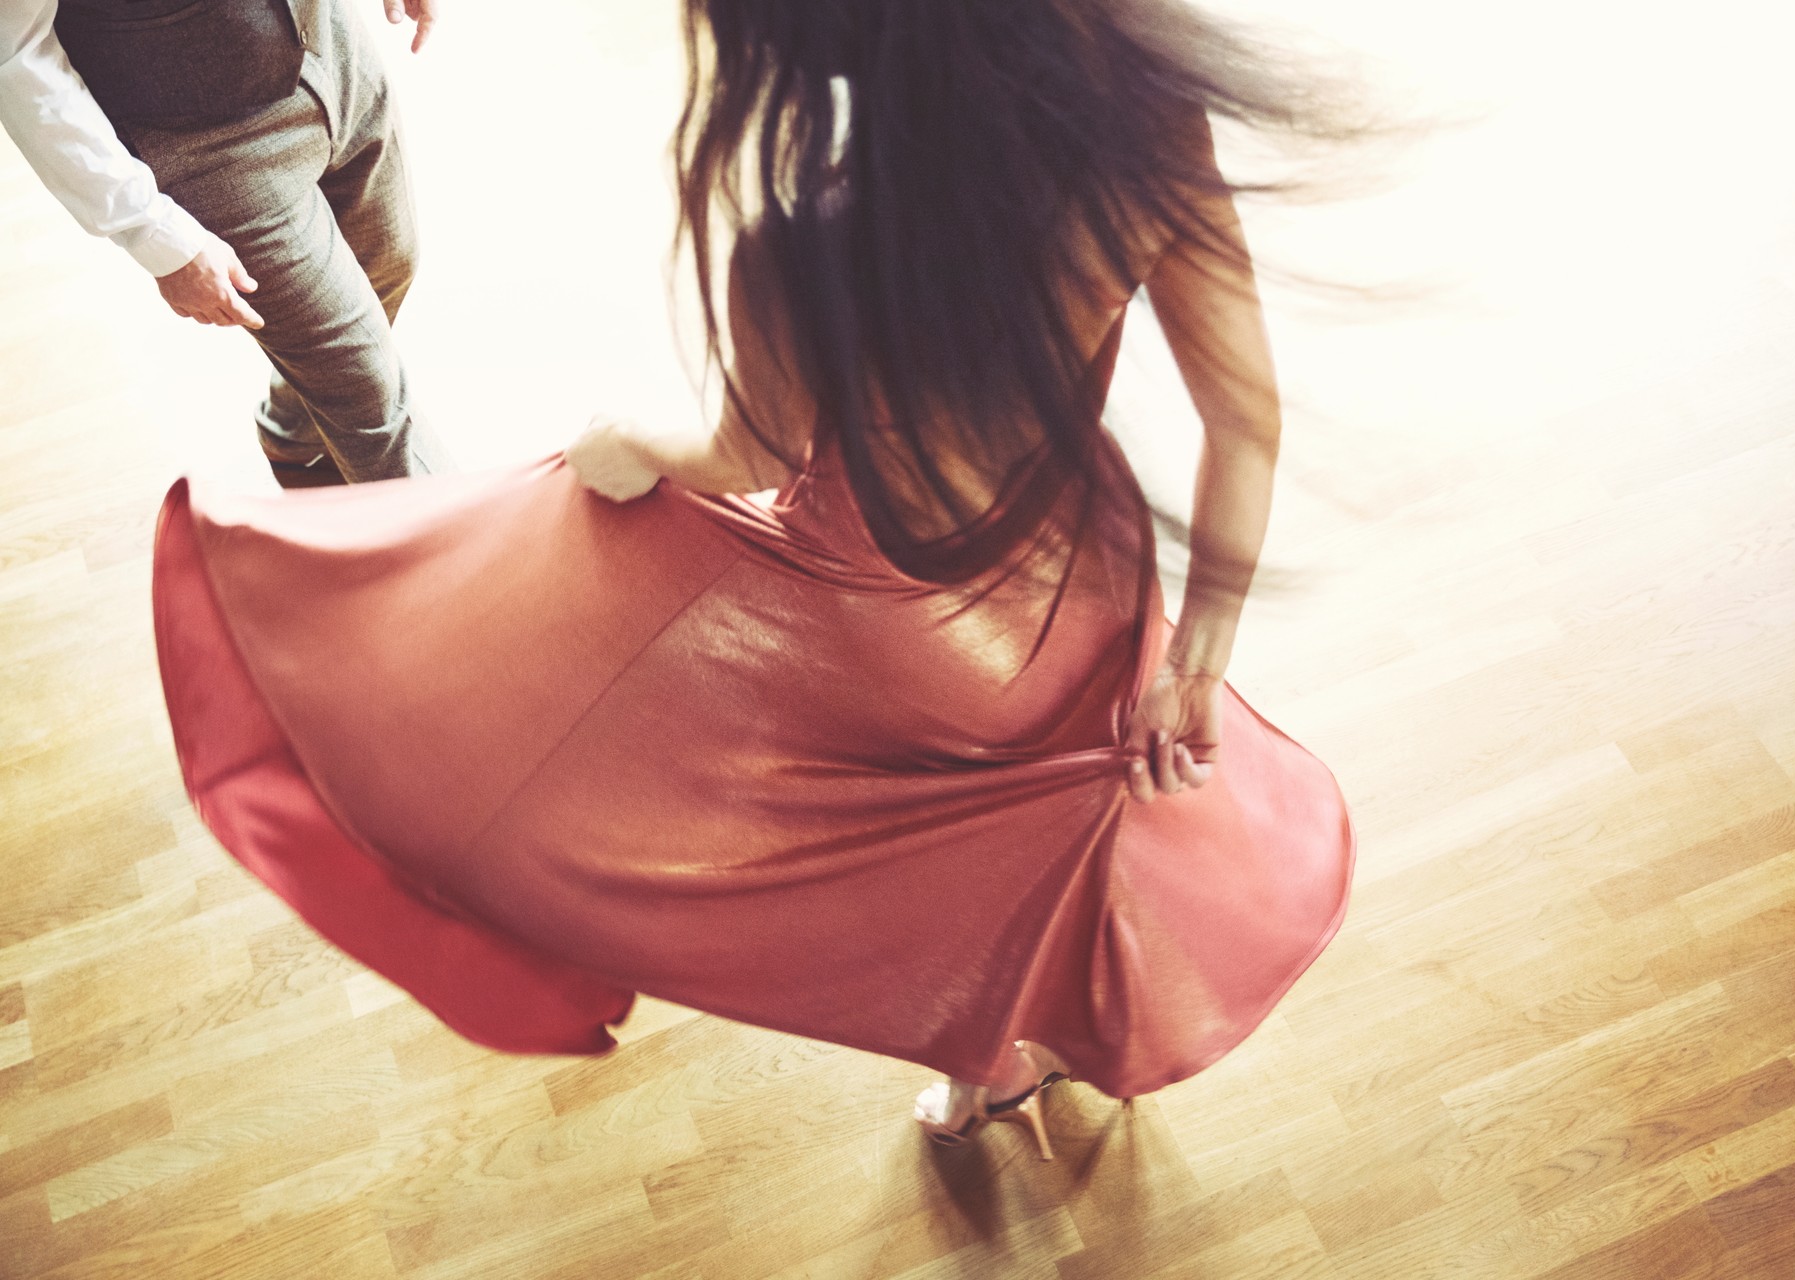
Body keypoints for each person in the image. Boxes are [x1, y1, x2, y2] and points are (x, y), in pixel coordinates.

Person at [149, 0, 1355, 1160]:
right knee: (1040, 826)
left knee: (916, 864)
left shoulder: (809, 241)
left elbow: (750, 454)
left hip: (887, 627)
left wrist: (628, 445)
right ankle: (1049, 1041)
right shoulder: (1145, 136)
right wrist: (1197, 659)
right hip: (1068, 593)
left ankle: (990, 1054)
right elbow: (1243, 419)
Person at [0, 0, 446, 486]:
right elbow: (16, 51)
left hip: (331, 45)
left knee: (389, 265)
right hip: (203, 142)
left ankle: (296, 438)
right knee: (374, 405)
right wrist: (151, 229)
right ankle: (468, 555)